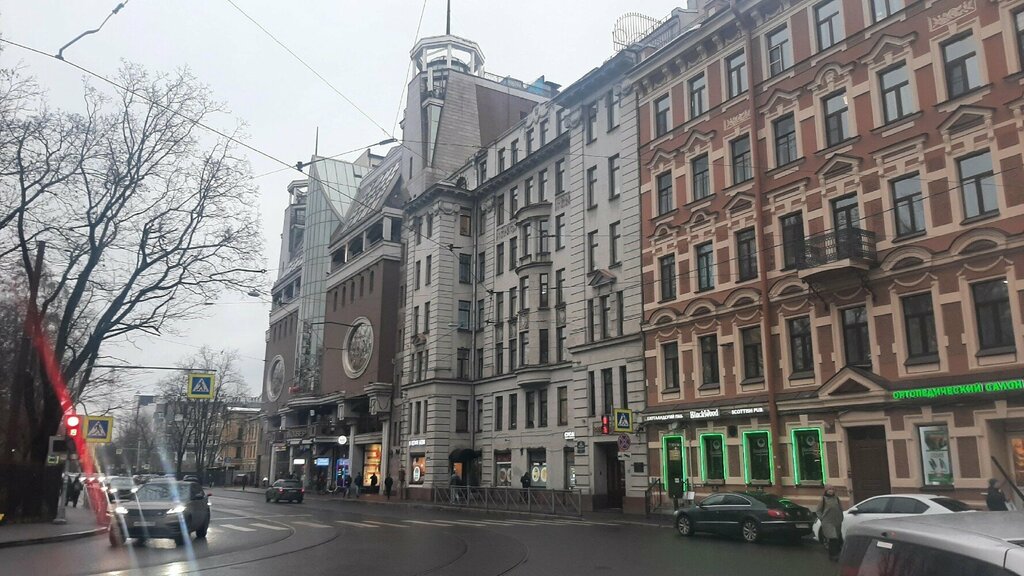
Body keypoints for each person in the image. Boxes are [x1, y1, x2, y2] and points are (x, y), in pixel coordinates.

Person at [815, 487, 844, 561]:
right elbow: (818, 511)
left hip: (837, 521)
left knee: (837, 538)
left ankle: (837, 554)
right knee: (833, 538)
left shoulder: (836, 499)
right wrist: (822, 518)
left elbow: (840, 508)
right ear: (826, 491)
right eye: (829, 490)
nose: (831, 491)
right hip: (827, 522)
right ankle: (833, 555)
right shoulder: (823, 499)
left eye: (832, 489)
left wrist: (841, 517)